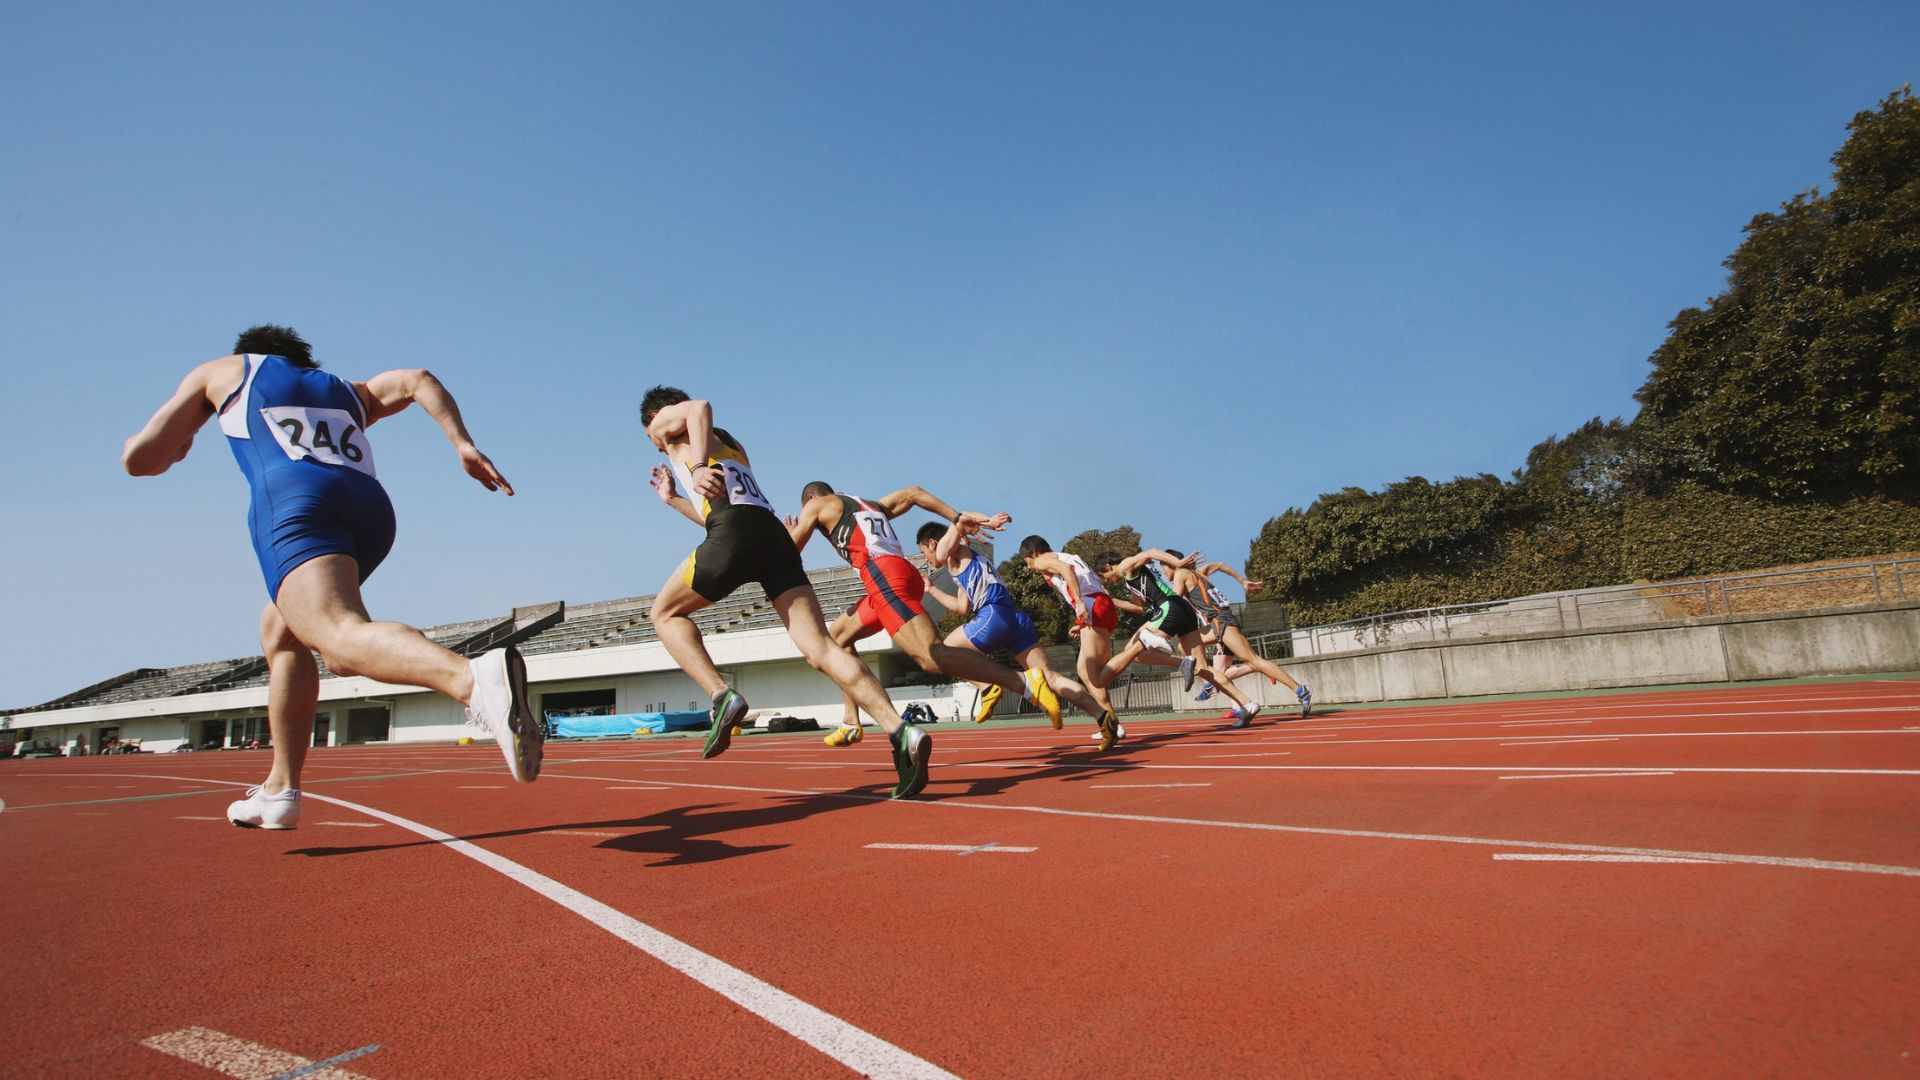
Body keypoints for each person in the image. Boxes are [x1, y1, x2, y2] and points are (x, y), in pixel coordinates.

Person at [121, 324, 541, 830]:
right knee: (282, 631)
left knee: (339, 642)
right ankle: (280, 788)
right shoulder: (347, 391)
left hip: (295, 501)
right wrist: (462, 444)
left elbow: (140, 460)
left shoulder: (226, 370)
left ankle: (472, 680)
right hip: (369, 511)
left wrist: (181, 440)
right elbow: (417, 379)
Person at [639, 387, 933, 798]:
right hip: (772, 537)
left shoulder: (667, 425)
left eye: (652, 437)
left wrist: (698, 462)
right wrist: (674, 499)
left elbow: (699, 407)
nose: (656, 444)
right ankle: (901, 731)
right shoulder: (731, 444)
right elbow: (716, 513)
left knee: (664, 614)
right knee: (822, 649)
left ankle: (720, 695)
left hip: (738, 532)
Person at [786, 483, 1066, 743]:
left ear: (812, 498)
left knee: (931, 656)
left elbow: (788, 552)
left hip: (883, 576)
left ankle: (1022, 682)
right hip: (899, 573)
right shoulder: (869, 506)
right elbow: (914, 493)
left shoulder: (817, 503)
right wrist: (955, 517)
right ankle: (850, 720)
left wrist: (788, 535)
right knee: (836, 639)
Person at [910, 519, 1121, 749]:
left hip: (994, 615)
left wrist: (978, 520)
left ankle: (988, 687)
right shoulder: (964, 564)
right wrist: (932, 589)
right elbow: (962, 608)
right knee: (1050, 677)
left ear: (932, 543)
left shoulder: (953, 553)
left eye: (924, 553)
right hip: (1016, 620)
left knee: (942, 651)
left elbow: (958, 523)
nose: (928, 560)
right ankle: (1103, 717)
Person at [1095, 550, 1261, 726]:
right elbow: (1138, 607)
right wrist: (1109, 599)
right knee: (1202, 668)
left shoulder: (1125, 565)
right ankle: (1246, 703)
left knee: (1134, 650)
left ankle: (1173, 655)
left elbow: (1150, 552)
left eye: (1103, 575)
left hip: (1170, 608)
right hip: (1183, 610)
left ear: (1108, 566)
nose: (1105, 580)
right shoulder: (1130, 581)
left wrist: (1178, 563)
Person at [1169, 555, 1312, 716]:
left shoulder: (1180, 573)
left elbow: (1173, 602)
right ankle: (1210, 684)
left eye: (1164, 567)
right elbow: (1221, 564)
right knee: (1184, 645)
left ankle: (1300, 689)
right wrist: (1242, 580)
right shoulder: (1200, 572)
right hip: (1218, 622)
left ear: (1172, 564)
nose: (1165, 573)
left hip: (1220, 621)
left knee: (1255, 661)